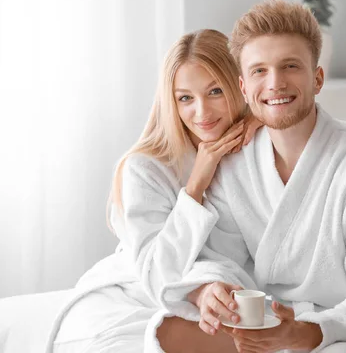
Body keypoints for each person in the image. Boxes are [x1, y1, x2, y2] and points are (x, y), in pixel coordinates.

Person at [158, 0, 346, 353]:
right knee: (168, 330)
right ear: (243, 88)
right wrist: (213, 289)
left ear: (317, 78)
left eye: (290, 66)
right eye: (259, 71)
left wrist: (304, 333)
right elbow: (221, 257)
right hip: (270, 323)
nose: (275, 83)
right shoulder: (235, 163)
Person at [48, 29, 260, 353]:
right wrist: (196, 184)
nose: (202, 112)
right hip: (139, 293)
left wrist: (266, 123)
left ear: (239, 86)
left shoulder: (254, 145)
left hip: (225, 295)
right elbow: (160, 270)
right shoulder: (145, 168)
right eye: (185, 98)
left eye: (215, 91)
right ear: (170, 101)